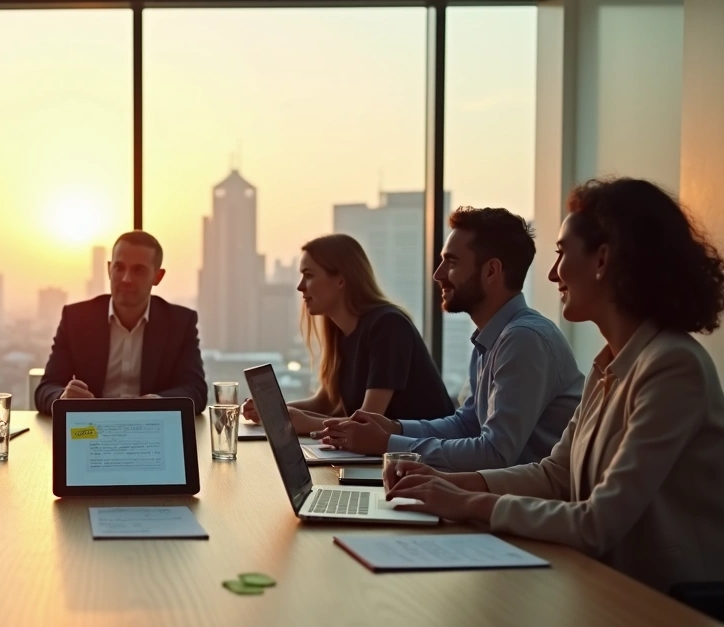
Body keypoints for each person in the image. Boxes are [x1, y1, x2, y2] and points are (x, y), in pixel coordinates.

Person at [387, 178, 724, 592]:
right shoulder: (612, 365)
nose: (550, 274)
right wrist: (441, 483)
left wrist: (467, 502)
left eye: (562, 253)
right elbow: (555, 475)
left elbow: (596, 522)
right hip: (604, 583)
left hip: (665, 603)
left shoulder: (673, 366)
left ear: (602, 259)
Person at [317, 208, 583, 470]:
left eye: (452, 262)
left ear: (491, 271)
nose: (438, 274)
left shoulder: (524, 340)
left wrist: (388, 443)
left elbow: (495, 453)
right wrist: (395, 427)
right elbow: (466, 424)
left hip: (522, 505)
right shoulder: (492, 339)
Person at [244, 234, 453, 433]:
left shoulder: (389, 326)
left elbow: (367, 422)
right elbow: (325, 401)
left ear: (341, 280)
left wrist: (306, 423)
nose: (300, 287)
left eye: (308, 275)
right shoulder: (340, 332)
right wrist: (270, 410)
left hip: (424, 459)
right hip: (384, 456)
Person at [35, 231, 206, 415]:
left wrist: (157, 403)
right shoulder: (76, 318)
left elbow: (195, 390)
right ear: (109, 269)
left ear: (158, 276)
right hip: (91, 431)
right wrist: (63, 399)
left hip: (149, 429)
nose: (126, 279)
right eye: (119, 268)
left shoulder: (179, 323)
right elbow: (46, 389)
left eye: (138, 270)